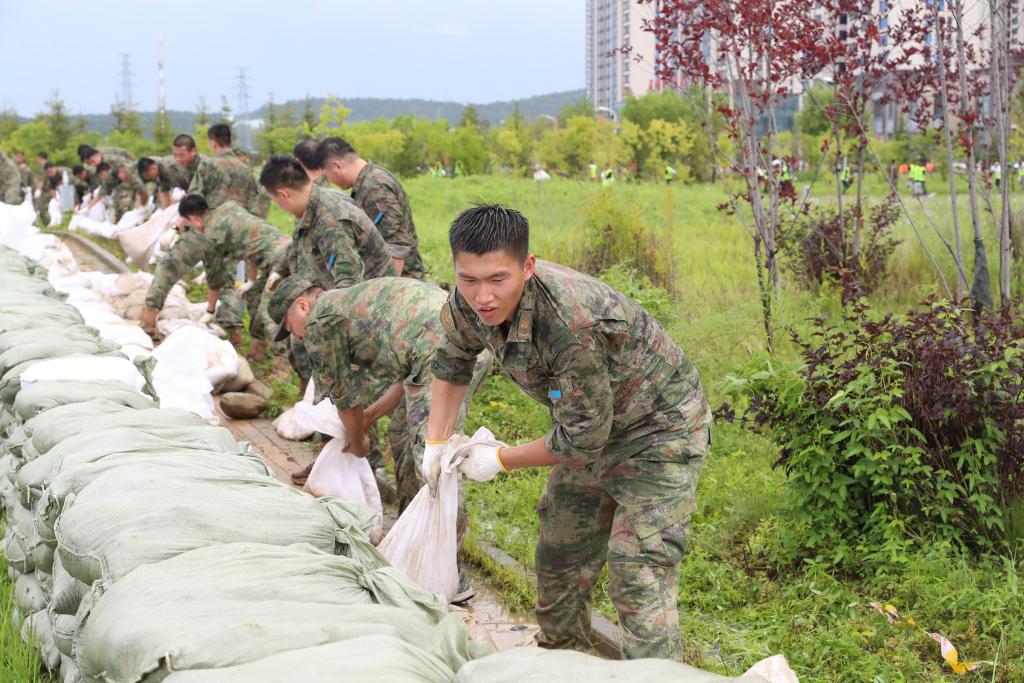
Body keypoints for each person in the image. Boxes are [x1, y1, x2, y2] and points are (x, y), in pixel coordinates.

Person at [423, 205, 710, 660]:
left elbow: (583, 437)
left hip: (658, 432)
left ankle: (658, 674)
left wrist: (498, 458)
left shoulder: (572, 322)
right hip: (589, 422)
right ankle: (562, 661)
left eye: (498, 279)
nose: (483, 296)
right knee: (560, 550)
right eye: (469, 279)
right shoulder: (470, 299)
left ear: (528, 266)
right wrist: (436, 441)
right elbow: (453, 358)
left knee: (637, 572)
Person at [259, 155, 395, 469]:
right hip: (327, 311)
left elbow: (349, 285)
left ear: (283, 194)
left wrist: (324, 332)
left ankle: (360, 463)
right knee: (327, 385)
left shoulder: (331, 217)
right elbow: (298, 252)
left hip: (367, 319)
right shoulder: (310, 210)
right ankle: (332, 458)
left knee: (349, 392)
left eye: (276, 203)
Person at [141, 195, 289, 359]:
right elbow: (251, 246)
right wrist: (252, 281)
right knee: (254, 294)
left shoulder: (211, 235)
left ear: (194, 219)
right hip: (286, 248)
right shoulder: (230, 206)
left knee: (268, 311)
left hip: (280, 263)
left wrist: (210, 310)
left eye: (189, 224)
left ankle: (281, 363)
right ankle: (257, 350)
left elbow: (210, 277)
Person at [316, 137, 425, 279]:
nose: (330, 181)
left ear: (337, 166)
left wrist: (386, 294)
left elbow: (396, 246)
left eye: (327, 176)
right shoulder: (367, 182)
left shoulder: (375, 187)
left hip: (402, 288)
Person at [198, 123, 266, 217]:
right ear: (231, 141)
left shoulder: (207, 165)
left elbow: (195, 196)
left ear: (213, 143)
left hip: (214, 222)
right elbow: (257, 198)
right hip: (241, 221)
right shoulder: (246, 169)